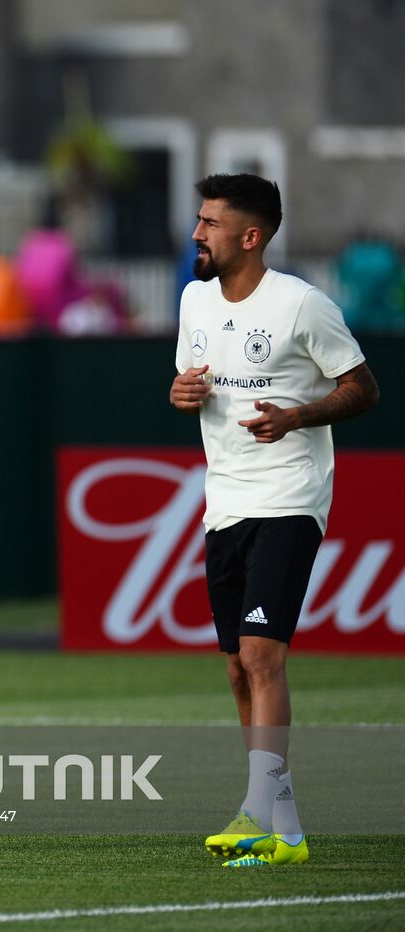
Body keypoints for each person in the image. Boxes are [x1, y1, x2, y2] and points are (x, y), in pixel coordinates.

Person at [169, 174, 379, 868]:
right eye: (198, 220)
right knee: (236, 668)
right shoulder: (194, 300)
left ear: (250, 237)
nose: (197, 234)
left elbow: (362, 387)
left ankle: (256, 809)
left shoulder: (301, 305)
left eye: (210, 223)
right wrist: (182, 392)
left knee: (263, 654)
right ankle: (283, 827)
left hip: (290, 497)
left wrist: (299, 415)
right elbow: (188, 384)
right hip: (223, 501)